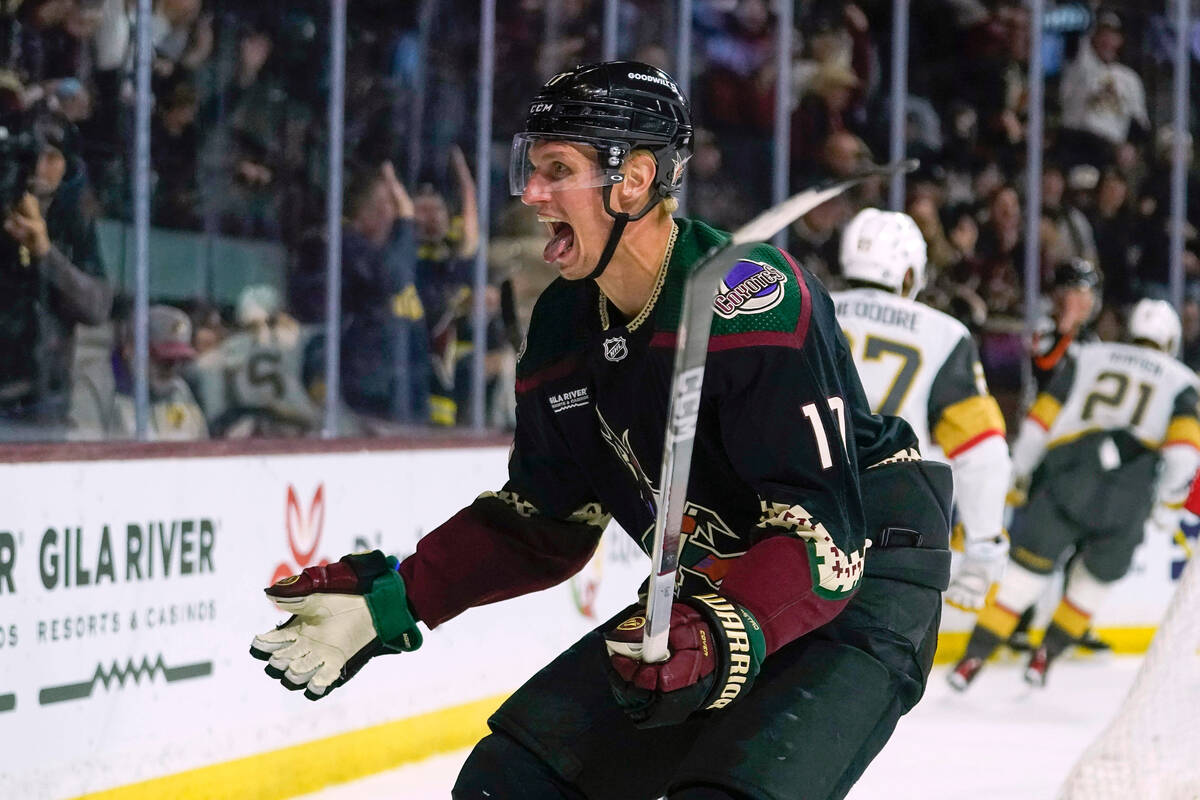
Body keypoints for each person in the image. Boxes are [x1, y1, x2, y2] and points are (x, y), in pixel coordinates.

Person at [250, 61, 953, 800]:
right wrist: (402, 595)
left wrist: (716, 633)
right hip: (724, 585)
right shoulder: (563, 326)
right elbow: (545, 521)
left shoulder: (753, 302)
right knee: (511, 783)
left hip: (862, 575)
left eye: (557, 169)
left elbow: (823, 536)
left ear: (635, 179)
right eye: (532, 166)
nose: (530, 192)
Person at [949, 299, 1200, 690]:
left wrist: (1021, 474)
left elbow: (1038, 423)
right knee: (1093, 584)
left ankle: (972, 660)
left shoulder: (1088, 356)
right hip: (1129, 493)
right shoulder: (1183, 381)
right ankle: (1047, 655)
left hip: (1068, 475)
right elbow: (1184, 456)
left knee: (1022, 579)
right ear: (1169, 341)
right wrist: (1166, 508)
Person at [832, 208, 1011, 613]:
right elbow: (983, 452)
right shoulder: (944, 334)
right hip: (894, 524)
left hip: (799, 505)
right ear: (909, 275)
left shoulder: (805, 307)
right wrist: (984, 547)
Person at [289, 160, 431, 425]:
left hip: (406, 393)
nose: (396, 212)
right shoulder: (346, 248)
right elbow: (389, 277)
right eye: (389, 203)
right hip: (367, 396)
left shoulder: (396, 255)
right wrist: (407, 222)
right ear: (365, 210)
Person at [0, 108, 111, 439]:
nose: (39, 168)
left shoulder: (75, 225)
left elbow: (96, 308)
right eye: (31, 157)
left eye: (51, 157)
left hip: (46, 407)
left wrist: (45, 254)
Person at [69, 303, 208, 440]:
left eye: (179, 360)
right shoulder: (95, 387)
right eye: (163, 359)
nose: (172, 368)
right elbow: (84, 453)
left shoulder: (180, 391)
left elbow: (202, 448)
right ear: (130, 349)